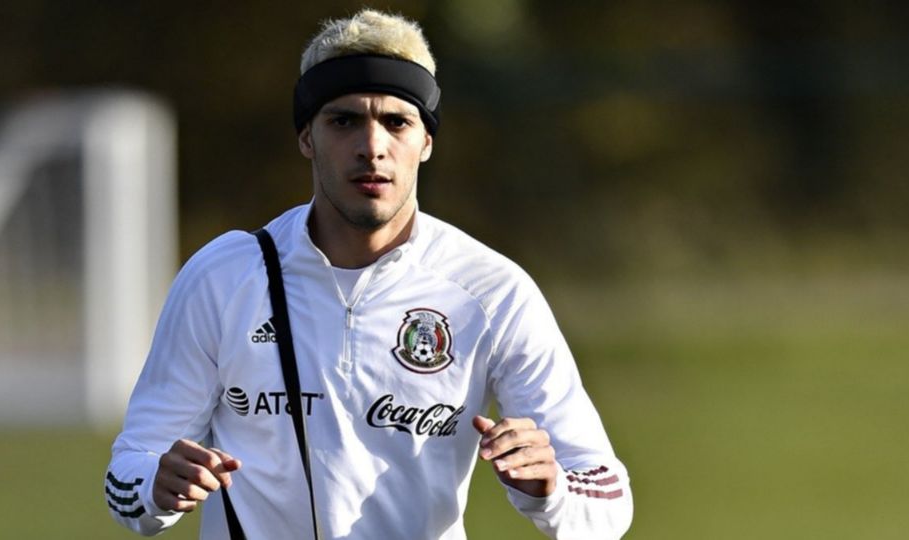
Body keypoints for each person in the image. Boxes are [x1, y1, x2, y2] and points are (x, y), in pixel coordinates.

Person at [104, 8, 632, 540]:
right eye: (344, 121)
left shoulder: (491, 291)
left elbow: (606, 500)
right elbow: (129, 471)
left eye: (397, 122)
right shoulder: (224, 276)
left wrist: (551, 489)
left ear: (426, 141)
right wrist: (156, 485)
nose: (372, 146)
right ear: (306, 137)